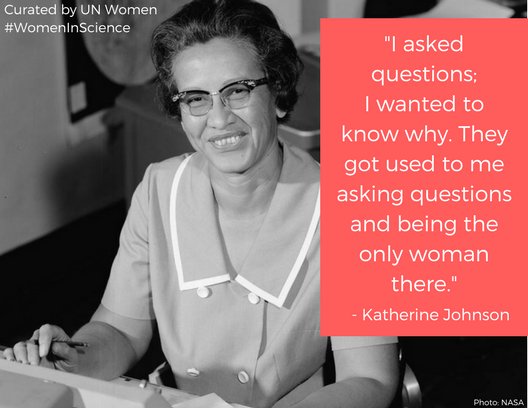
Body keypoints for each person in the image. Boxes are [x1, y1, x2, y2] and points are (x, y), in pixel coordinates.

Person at [3, 1, 399, 407]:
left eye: (238, 91)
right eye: (196, 99)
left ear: (278, 95)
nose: (219, 118)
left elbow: (369, 378)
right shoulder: (159, 189)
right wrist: (69, 358)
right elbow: (120, 330)